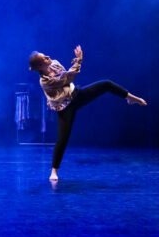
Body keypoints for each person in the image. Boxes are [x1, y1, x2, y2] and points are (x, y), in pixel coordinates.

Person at [28, 45, 147, 182]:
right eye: (45, 58)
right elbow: (66, 79)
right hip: (65, 107)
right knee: (63, 138)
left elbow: (68, 76)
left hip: (76, 95)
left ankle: (129, 97)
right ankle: (54, 170)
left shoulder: (54, 63)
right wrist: (78, 60)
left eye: (46, 55)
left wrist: (75, 63)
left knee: (106, 84)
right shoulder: (44, 81)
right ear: (40, 66)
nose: (49, 57)